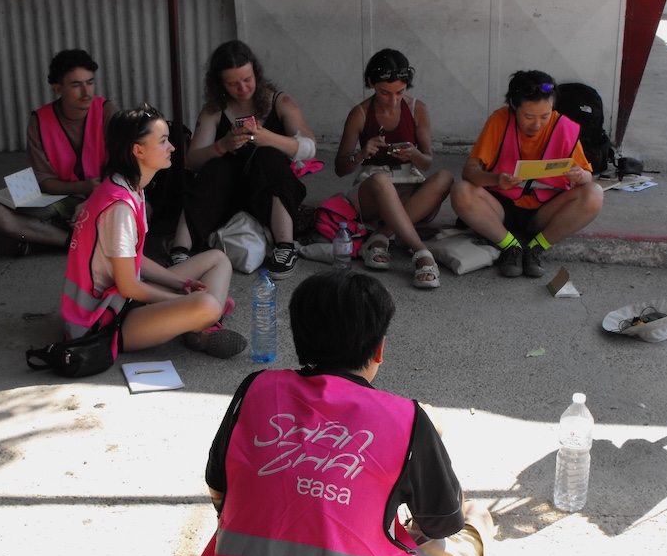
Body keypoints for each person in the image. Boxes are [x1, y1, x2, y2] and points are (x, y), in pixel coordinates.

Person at [172, 270, 493, 556]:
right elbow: (440, 522)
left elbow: (218, 484)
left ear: (300, 341)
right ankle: (482, 527)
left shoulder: (255, 388)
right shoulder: (407, 418)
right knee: (471, 524)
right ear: (379, 348)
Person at [62, 106, 246, 359]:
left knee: (218, 259)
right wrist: (176, 298)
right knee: (208, 304)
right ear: (138, 151)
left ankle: (195, 322)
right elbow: (129, 287)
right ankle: (201, 325)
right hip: (103, 322)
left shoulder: (126, 186)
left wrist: (185, 284)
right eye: (163, 141)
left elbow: (134, 260)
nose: (172, 147)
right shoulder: (120, 207)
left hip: (121, 299)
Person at [166, 40, 316, 280]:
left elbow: (309, 148)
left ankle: (285, 246)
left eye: (247, 80)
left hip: (267, 197)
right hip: (226, 198)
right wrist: (221, 146)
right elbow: (192, 162)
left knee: (270, 158)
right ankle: (180, 249)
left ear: (256, 73)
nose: (243, 89)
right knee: (215, 168)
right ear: (220, 84)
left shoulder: (278, 101)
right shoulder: (215, 110)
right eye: (233, 84)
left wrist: (270, 138)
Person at [451, 70, 604, 279]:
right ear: (514, 106)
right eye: (529, 116)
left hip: (544, 210)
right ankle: (510, 247)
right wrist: (496, 179)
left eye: (545, 116)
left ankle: (536, 248)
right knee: (461, 190)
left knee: (594, 193)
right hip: (502, 206)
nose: (537, 124)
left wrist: (579, 175)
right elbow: (469, 171)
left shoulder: (563, 126)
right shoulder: (500, 120)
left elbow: (587, 176)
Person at [335, 49, 452, 288]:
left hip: (409, 184)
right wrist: (361, 154)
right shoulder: (359, 113)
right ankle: (421, 253)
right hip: (373, 193)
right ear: (370, 83)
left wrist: (415, 154)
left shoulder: (418, 109)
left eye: (400, 92)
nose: (393, 100)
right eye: (384, 93)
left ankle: (381, 236)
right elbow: (340, 168)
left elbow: (427, 162)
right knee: (380, 180)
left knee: (445, 177)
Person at [0, 49, 119, 253]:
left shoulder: (107, 112)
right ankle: (73, 241)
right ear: (58, 89)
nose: (86, 92)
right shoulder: (39, 121)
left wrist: (92, 200)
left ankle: (43, 236)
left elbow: (124, 171)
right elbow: (45, 181)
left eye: (90, 82)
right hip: (61, 197)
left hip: (105, 196)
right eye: (76, 85)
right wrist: (82, 188)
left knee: (138, 212)